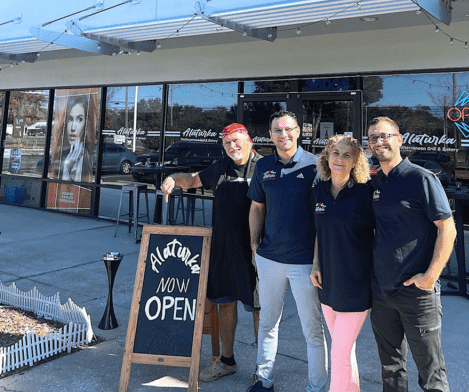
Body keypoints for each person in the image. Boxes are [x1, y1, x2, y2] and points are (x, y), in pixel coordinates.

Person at [160, 123, 261, 382]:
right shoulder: (221, 167)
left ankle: (264, 368)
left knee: (261, 309)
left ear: (249, 141)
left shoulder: (263, 167)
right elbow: (193, 180)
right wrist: (173, 179)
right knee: (225, 304)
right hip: (225, 250)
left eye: (237, 141)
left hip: (256, 251)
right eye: (227, 143)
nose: (232, 147)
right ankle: (227, 361)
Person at [367, 116, 456, 392]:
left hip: (416, 294)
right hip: (382, 292)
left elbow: (447, 228)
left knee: (431, 373)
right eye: (373, 138)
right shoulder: (374, 182)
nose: (379, 142)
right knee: (390, 368)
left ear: (399, 139)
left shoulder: (421, 178)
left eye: (385, 136)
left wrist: (430, 277)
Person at [247, 110, 327, 392]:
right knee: (267, 323)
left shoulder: (317, 166)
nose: (284, 135)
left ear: (299, 131)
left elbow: (325, 213)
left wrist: (318, 260)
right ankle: (264, 380)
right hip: (269, 259)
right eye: (277, 131)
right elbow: (257, 207)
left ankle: (316, 387)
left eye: (288, 129)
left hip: (304, 263)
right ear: (270, 135)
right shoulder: (263, 167)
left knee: (312, 331)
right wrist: (254, 246)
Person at [309, 135, 374, 392]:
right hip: (327, 282)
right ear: (327, 157)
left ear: (355, 161)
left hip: (356, 283)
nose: (340, 159)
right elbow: (317, 231)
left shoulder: (365, 193)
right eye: (336, 153)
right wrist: (315, 263)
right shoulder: (318, 192)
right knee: (344, 350)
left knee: (338, 353)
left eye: (347, 155)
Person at [50, 93, 94, 182]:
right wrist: (66, 168)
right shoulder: (60, 154)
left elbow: (78, 189)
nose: (73, 128)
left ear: (86, 123)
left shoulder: (87, 158)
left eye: (79, 119)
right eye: (70, 119)